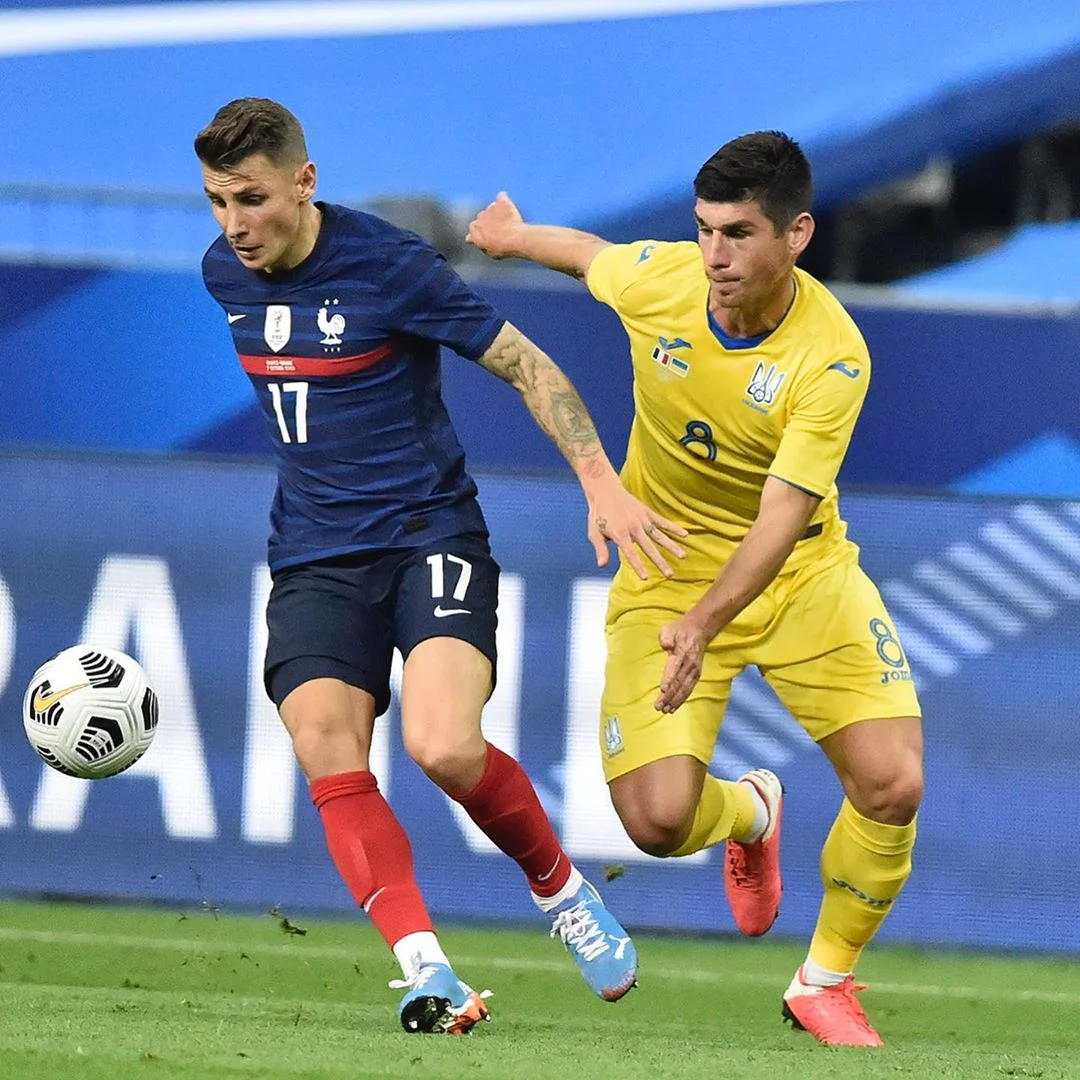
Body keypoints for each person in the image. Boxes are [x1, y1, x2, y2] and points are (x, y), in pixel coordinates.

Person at [194, 97, 687, 1036]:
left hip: (430, 535)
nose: (234, 224)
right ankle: (428, 972)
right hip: (314, 555)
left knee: (444, 746)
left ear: (305, 182)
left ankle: (561, 890)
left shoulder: (390, 266)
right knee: (325, 743)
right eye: (218, 201)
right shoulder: (225, 273)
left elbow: (528, 366)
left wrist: (600, 481)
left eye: (251, 199)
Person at [467, 131, 923, 1048]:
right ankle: (753, 810)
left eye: (739, 234)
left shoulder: (832, 356)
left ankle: (824, 981)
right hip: (667, 566)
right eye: (705, 229)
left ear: (797, 234)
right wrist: (513, 238)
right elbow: (590, 257)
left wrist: (707, 624)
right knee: (658, 821)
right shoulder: (665, 279)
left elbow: (782, 517)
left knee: (893, 783)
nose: (715, 255)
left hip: (799, 574)